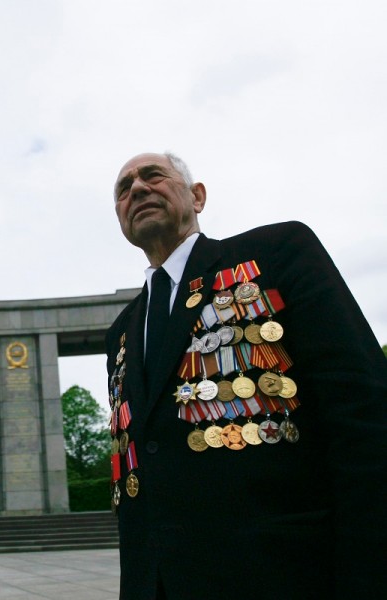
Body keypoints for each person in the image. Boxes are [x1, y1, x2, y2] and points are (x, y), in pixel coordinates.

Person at [104, 152, 387, 599]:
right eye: (124, 189)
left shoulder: (275, 255)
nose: (137, 189)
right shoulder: (121, 331)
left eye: (153, 176)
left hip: (281, 576)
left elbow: (364, 416)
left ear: (197, 197)